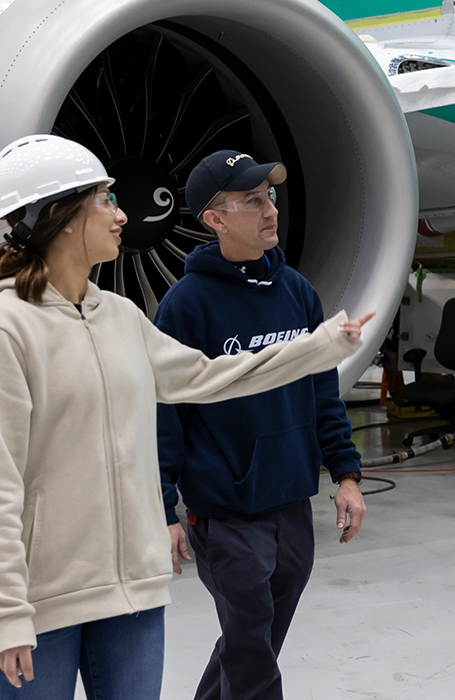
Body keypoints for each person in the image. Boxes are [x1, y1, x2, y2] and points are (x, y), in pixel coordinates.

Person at [0, 135, 375, 700]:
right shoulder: (3, 329)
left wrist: (323, 346)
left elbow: (209, 377)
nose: (122, 213)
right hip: (45, 601)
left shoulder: (121, 316)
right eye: (106, 199)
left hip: (133, 594)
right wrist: (5, 611)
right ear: (60, 215)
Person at [156, 150, 364, 700]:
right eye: (250, 200)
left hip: (292, 504)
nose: (269, 209)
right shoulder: (185, 307)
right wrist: (164, 506)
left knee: (255, 642)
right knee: (250, 648)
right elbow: (164, 411)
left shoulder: (298, 292)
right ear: (215, 219)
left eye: (269, 196)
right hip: (224, 513)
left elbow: (323, 390)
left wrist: (346, 474)